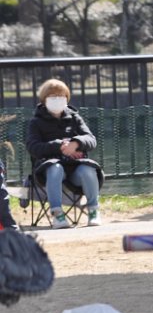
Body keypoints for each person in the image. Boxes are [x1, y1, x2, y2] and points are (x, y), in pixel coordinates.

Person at [26, 79, 104, 228]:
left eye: (61, 96)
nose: (57, 99)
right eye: (53, 96)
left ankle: (94, 211)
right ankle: (58, 214)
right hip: (49, 170)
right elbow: (33, 147)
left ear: (67, 98)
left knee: (88, 169)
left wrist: (76, 143)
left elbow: (91, 140)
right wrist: (59, 146)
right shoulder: (35, 122)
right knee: (55, 168)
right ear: (44, 99)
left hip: (75, 168)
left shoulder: (74, 117)